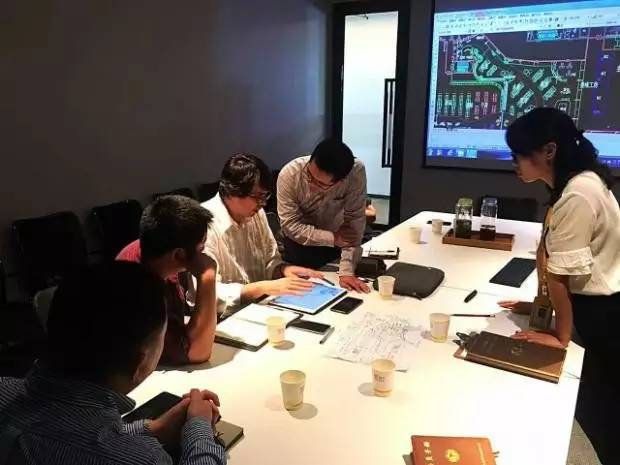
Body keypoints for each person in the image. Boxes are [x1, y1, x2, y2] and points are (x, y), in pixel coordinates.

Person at [0, 262, 226, 465]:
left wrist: (152, 429)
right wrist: (199, 429)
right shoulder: (145, 460)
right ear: (140, 362)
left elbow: (67, 434)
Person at [500, 107, 620, 463]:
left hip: (600, 315)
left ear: (549, 151)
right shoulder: (580, 183)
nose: (515, 163)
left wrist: (560, 336)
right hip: (597, 309)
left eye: (520, 154)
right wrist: (541, 307)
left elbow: (560, 274)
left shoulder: (577, 194)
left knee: (600, 413)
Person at [202, 154, 322, 313]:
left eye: (265, 196)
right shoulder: (203, 223)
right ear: (231, 192)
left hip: (261, 306)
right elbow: (205, 294)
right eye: (256, 196)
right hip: (222, 317)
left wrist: (282, 270)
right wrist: (263, 288)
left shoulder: (256, 213)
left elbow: (270, 260)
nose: (263, 203)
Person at [117, 195, 218, 365]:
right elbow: (196, 352)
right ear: (179, 254)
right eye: (201, 247)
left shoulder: (158, 255)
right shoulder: (136, 287)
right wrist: (207, 276)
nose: (203, 254)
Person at [277, 139, 370, 293]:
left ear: (341, 181)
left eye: (321, 184)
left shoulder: (355, 173)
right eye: (309, 176)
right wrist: (333, 238)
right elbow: (290, 225)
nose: (311, 186)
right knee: (302, 293)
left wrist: (346, 271)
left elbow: (354, 224)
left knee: (335, 291)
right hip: (298, 245)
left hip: (337, 243)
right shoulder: (291, 174)